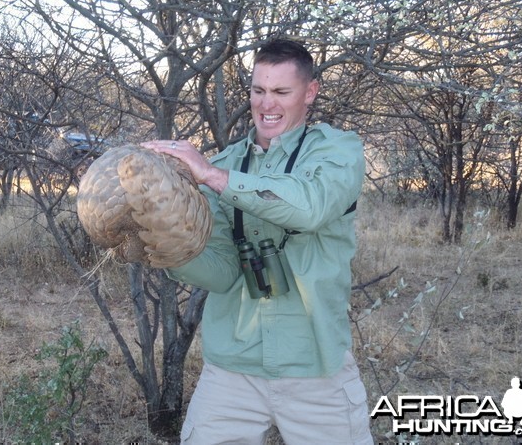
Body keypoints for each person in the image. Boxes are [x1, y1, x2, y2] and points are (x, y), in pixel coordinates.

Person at [141, 38, 373, 445]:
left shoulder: (338, 150)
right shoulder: (230, 161)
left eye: (282, 92)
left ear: (310, 92)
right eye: (258, 91)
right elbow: (223, 272)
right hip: (233, 369)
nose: (267, 104)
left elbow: (310, 207)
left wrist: (211, 176)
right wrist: (162, 245)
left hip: (316, 369)